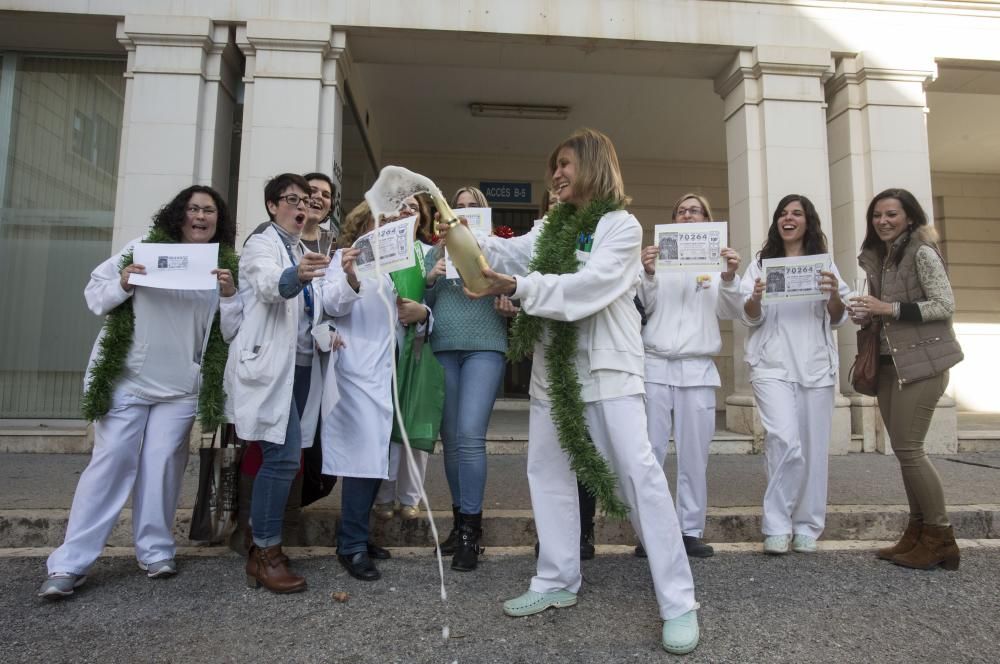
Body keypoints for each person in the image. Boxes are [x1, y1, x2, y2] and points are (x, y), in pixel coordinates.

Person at [448, 128, 700, 655]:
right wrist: (446, 228)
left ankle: (678, 602)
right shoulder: (549, 226)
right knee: (547, 471)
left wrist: (519, 288)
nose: (556, 175)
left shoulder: (621, 226)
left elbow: (594, 286)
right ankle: (556, 579)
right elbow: (504, 250)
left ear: (593, 165)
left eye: (565, 164)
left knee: (639, 474)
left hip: (610, 368)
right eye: (553, 167)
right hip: (554, 369)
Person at [39, 185, 241, 598]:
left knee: (164, 465)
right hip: (126, 380)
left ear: (218, 221)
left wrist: (230, 295)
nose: (200, 216)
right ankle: (69, 563)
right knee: (110, 464)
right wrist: (124, 282)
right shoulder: (142, 248)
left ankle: (155, 550)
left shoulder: (221, 266)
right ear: (177, 215)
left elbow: (231, 332)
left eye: (209, 211)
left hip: (181, 387)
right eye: (192, 209)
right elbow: (95, 296)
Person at [718, 194, 849, 556]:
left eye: (797, 213)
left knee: (813, 448)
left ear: (809, 222)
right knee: (784, 442)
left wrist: (833, 294)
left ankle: (807, 525)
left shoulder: (824, 266)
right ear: (777, 222)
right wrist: (756, 297)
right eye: (783, 214)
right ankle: (776, 523)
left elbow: (838, 317)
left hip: (815, 368)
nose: (788, 218)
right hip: (772, 366)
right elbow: (749, 317)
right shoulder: (761, 265)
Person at [225, 173, 330, 593]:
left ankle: (263, 548)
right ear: (272, 205)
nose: (301, 207)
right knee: (283, 457)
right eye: (291, 199)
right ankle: (264, 551)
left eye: (305, 200)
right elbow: (270, 285)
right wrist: (296, 277)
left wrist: (324, 332)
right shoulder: (261, 244)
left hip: (301, 368)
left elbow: (310, 313)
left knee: (283, 458)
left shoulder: (300, 247)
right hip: (271, 369)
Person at [849, 188, 963, 570]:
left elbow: (945, 304)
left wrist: (888, 308)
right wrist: (868, 315)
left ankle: (941, 537)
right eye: (877, 215)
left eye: (891, 215)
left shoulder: (922, 252)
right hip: (886, 363)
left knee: (911, 450)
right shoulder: (878, 258)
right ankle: (917, 533)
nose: (882, 221)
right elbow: (883, 312)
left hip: (923, 364)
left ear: (909, 218)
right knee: (903, 451)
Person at [321, 201, 431, 581]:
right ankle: (350, 545)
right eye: (381, 219)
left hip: (388, 373)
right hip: (355, 371)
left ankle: (358, 536)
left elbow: (407, 317)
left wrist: (420, 313)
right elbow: (330, 304)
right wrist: (350, 277)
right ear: (365, 223)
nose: (387, 225)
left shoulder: (396, 268)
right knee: (361, 460)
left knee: (375, 458)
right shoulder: (342, 258)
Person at [636, 193, 741, 559]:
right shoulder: (656, 261)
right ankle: (650, 531)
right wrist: (647, 273)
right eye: (681, 210)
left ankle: (689, 530)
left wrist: (728, 278)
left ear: (708, 219)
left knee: (694, 456)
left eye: (695, 210)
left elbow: (732, 310)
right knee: (649, 454)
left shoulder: (717, 265)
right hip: (655, 366)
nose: (687, 215)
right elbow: (643, 308)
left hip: (697, 368)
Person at [423, 186, 509, 571]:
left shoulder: (499, 249)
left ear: (484, 214)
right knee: (452, 440)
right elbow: (417, 306)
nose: (464, 211)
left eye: (473, 207)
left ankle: (473, 532)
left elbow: (514, 295)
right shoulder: (433, 251)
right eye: (458, 206)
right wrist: (429, 278)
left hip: (486, 344)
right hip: (443, 345)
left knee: (471, 434)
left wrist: (510, 303)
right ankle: (459, 524)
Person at [372, 194, 443, 523]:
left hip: (420, 345)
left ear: (422, 218)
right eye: (399, 206)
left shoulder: (430, 254)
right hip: (382, 349)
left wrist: (424, 308)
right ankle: (383, 494)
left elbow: (443, 305)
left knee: (416, 419)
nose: (405, 212)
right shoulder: (374, 251)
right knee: (386, 422)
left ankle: (410, 496)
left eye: (413, 208)